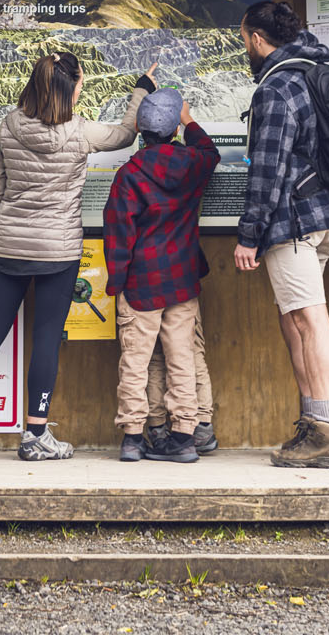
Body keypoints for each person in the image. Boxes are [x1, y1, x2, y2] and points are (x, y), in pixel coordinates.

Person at [0, 50, 155, 462]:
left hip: (10, 246)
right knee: (45, 339)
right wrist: (141, 91)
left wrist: (0, 236)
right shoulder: (80, 133)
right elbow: (126, 134)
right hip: (57, 250)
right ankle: (35, 433)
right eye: (80, 83)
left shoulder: (8, 126)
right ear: (70, 89)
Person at [235, 0, 329, 469]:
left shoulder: (276, 88)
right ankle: (313, 427)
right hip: (328, 215)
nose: (245, 47)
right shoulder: (315, 70)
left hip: (294, 221)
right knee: (295, 317)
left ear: (259, 40)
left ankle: (327, 432)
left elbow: (267, 170)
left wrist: (250, 235)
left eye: (245, 38)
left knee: (309, 318)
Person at [103, 88, 220, 463]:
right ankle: (184, 436)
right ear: (173, 130)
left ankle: (133, 439)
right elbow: (210, 152)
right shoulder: (193, 164)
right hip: (181, 279)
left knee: (135, 362)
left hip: (140, 284)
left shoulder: (129, 175)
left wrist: (116, 283)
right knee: (182, 357)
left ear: (139, 128)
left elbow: (118, 236)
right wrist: (188, 119)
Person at [145, 306, 216, 454]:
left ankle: (157, 429)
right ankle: (201, 426)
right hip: (181, 291)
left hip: (145, 294)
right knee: (191, 352)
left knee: (154, 357)